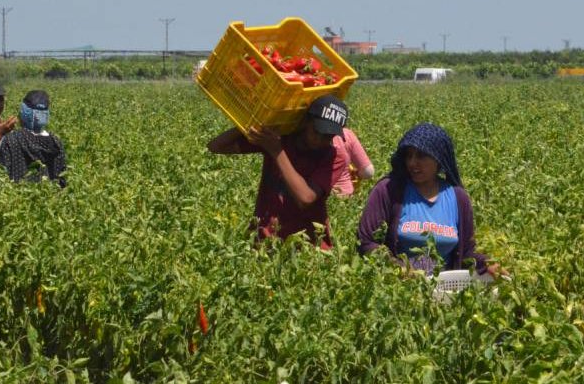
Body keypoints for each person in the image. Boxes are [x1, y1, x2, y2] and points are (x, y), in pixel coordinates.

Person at [357, 123, 503, 277]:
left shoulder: (458, 197)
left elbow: (467, 252)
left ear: (438, 158)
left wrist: (488, 264)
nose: (412, 162)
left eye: (421, 155)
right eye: (409, 155)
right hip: (396, 291)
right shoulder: (389, 190)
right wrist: (399, 268)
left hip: (445, 287)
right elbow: (366, 241)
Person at [207, 94, 349, 248]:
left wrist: (276, 150)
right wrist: (253, 122)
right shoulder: (282, 137)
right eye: (316, 131)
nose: (320, 140)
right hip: (265, 239)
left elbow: (305, 198)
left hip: (307, 247)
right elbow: (216, 146)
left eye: (328, 136)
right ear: (306, 122)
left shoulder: (335, 156)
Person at [0, 90, 68, 187]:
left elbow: (3, 175)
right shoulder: (55, 142)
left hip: (18, 198)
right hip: (51, 199)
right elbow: (62, 179)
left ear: (24, 112)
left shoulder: (12, 140)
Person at [331, 127, 375, 197]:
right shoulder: (345, 133)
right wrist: (356, 173)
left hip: (318, 196)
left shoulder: (311, 134)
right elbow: (368, 172)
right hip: (345, 196)